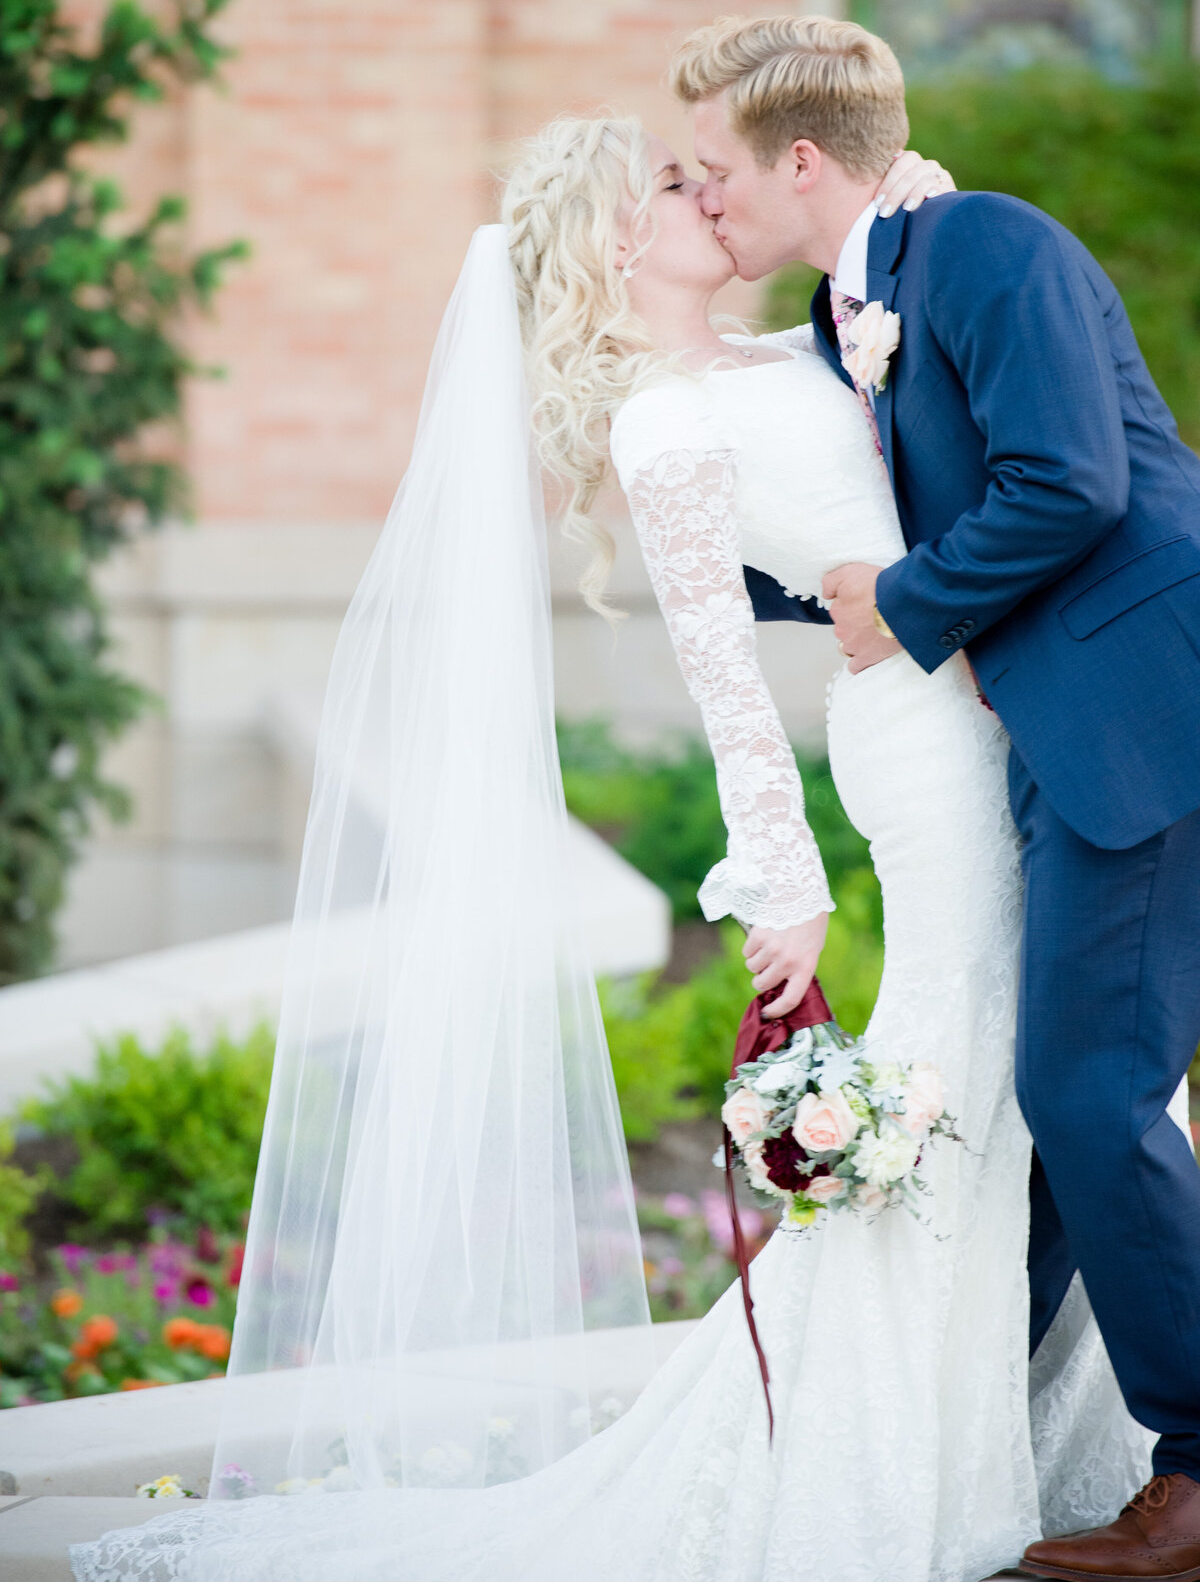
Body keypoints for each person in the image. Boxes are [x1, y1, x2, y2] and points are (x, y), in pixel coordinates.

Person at [70, 110, 1143, 1582]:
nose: (706, 193)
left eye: (705, 173)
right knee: (954, 1067)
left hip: (1009, 711)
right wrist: (782, 883)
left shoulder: (798, 349)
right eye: (670, 183)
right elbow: (723, 674)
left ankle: (1041, 1429)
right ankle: (877, 1462)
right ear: (610, 240)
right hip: (920, 750)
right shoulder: (662, 421)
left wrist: (906, 207)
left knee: (1035, 1079)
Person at [670, 13, 1200, 1582]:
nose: (706, 202)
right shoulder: (864, 305)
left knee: (1090, 1094)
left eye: (716, 174)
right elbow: (881, 535)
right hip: (1061, 733)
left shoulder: (983, 245)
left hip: (1143, 718)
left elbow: (1072, 481)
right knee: (1062, 1100)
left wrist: (900, 602)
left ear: (806, 162)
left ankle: (1195, 1469)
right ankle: (975, 1429)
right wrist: (717, 577)